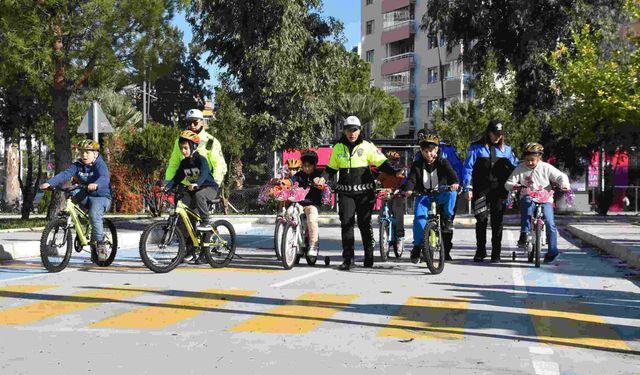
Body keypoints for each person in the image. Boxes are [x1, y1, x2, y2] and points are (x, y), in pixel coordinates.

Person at [319, 115, 403, 270]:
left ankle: (369, 256)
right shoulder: (338, 147)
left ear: (359, 130)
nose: (352, 133)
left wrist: (394, 172)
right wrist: (323, 178)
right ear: (344, 131)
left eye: (355, 130)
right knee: (347, 224)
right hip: (345, 193)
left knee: (364, 224)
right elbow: (331, 168)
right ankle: (348, 259)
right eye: (348, 130)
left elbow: (382, 162)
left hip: (365, 193)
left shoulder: (367, 146)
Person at [40, 139, 112, 261]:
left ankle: (100, 244)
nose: (84, 155)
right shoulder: (78, 165)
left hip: (101, 196)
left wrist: (96, 184)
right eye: (82, 152)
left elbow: (105, 177)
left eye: (87, 152)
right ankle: (72, 222)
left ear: (95, 153)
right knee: (71, 191)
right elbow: (65, 174)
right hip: (85, 193)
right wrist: (49, 183)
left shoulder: (100, 164)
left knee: (94, 214)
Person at [463, 119, 518, 263]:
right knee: (481, 220)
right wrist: (468, 187)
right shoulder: (476, 148)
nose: (498, 137)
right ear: (488, 133)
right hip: (481, 190)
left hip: (499, 191)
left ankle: (496, 253)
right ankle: (480, 250)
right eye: (495, 134)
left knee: (497, 221)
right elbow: (468, 168)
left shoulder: (506, 150)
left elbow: (515, 168)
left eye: (500, 134)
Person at [505, 142, 570, 263]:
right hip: (528, 197)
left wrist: (564, 184)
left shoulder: (546, 167)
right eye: (527, 159)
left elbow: (561, 176)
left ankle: (553, 251)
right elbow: (508, 183)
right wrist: (515, 186)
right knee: (527, 209)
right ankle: (524, 233)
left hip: (545, 198)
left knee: (550, 223)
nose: (529, 162)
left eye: (532, 160)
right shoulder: (520, 168)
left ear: (539, 157)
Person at [402, 133, 459, 263]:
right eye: (425, 151)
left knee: (452, 193)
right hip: (424, 197)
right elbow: (412, 179)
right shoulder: (417, 164)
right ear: (421, 151)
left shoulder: (443, 162)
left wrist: (455, 183)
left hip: (440, 194)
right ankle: (417, 247)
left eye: (431, 151)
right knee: (419, 220)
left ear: (437, 150)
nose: (429, 154)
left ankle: (447, 218)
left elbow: (452, 174)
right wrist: (409, 189)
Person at [164, 131, 219, 263]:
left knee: (200, 195)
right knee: (184, 215)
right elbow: (177, 177)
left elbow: (205, 173)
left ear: (193, 147)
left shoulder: (201, 159)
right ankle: (190, 250)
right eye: (181, 148)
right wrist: (167, 187)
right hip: (194, 189)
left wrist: (197, 183)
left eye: (186, 148)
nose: (183, 151)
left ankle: (206, 221)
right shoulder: (184, 163)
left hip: (209, 188)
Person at [415, 129, 463, 260]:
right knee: (422, 220)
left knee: (446, 224)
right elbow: (413, 176)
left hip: (446, 190)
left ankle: (446, 251)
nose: (428, 153)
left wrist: (458, 183)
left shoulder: (447, 152)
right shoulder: (419, 156)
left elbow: (456, 169)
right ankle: (423, 247)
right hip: (427, 194)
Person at [165, 109, 227, 187]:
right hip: (185, 186)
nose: (192, 125)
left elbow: (219, 165)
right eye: (189, 122)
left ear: (201, 122)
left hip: (205, 186)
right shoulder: (180, 141)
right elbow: (173, 164)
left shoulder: (210, 141)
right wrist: (168, 183)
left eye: (195, 122)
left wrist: (215, 184)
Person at [289, 150, 325, 256]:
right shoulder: (299, 175)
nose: (307, 168)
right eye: (304, 166)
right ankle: (290, 240)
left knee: (312, 219)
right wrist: (282, 183)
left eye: (310, 166)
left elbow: (323, 183)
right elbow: (291, 181)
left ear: (314, 165)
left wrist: (319, 183)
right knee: (288, 214)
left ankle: (313, 244)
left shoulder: (319, 175)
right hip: (298, 203)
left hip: (312, 204)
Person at [376, 151, 406, 255]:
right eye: (389, 160)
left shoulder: (400, 173)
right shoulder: (384, 173)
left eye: (394, 160)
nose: (392, 162)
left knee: (398, 214)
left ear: (398, 162)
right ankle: (383, 232)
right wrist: (376, 187)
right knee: (382, 215)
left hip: (397, 197)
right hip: (386, 197)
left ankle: (399, 237)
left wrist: (399, 190)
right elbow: (378, 182)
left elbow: (405, 185)